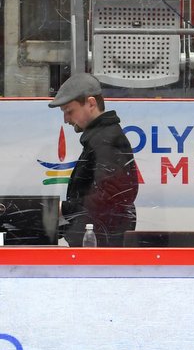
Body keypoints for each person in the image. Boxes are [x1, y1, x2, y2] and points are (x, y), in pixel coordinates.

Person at [48, 72, 139, 246]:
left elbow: (112, 197)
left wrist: (63, 209)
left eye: (69, 111)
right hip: (97, 240)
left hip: (101, 246)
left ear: (91, 103)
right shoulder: (100, 139)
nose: (66, 119)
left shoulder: (107, 140)